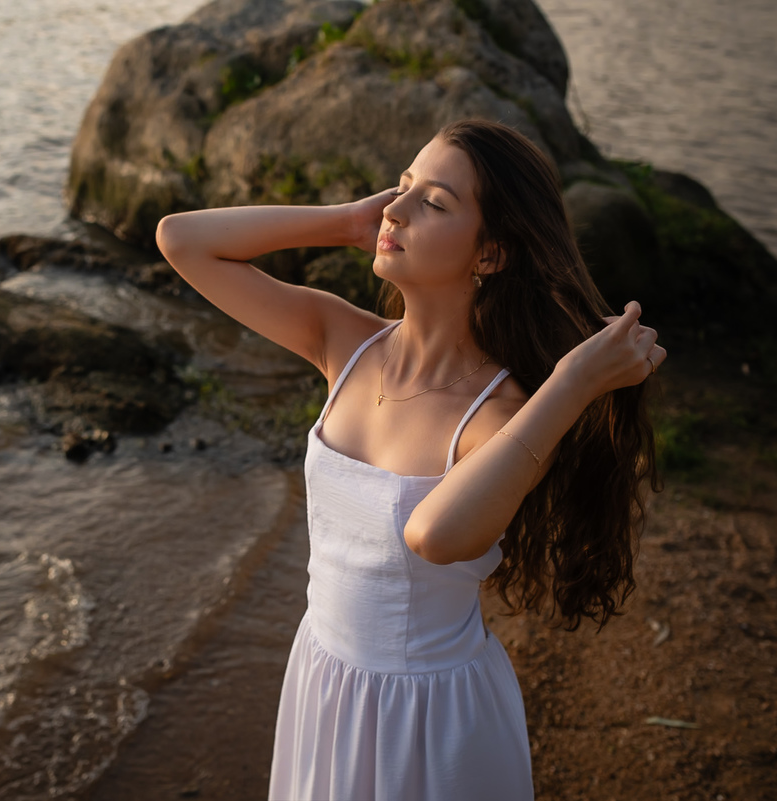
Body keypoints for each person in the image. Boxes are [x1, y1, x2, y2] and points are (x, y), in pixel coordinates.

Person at [155, 119, 664, 801]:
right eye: (402, 185)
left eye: (434, 203)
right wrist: (344, 222)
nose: (395, 209)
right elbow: (182, 240)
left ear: (490, 255)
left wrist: (571, 383)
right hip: (323, 676)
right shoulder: (346, 341)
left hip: (431, 715)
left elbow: (436, 534)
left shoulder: (500, 413)